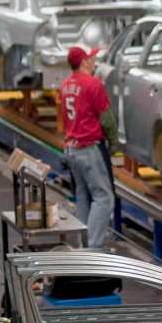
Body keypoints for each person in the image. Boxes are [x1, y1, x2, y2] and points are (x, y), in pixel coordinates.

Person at [60, 45, 118, 248]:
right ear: (84, 61)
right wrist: (114, 143)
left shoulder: (65, 85)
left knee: (83, 196)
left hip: (71, 148)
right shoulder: (92, 84)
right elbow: (107, 119)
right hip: (88, 148)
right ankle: (92, 250)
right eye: (92, 58)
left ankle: (81, 247)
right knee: (104, 198)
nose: (94, 61)